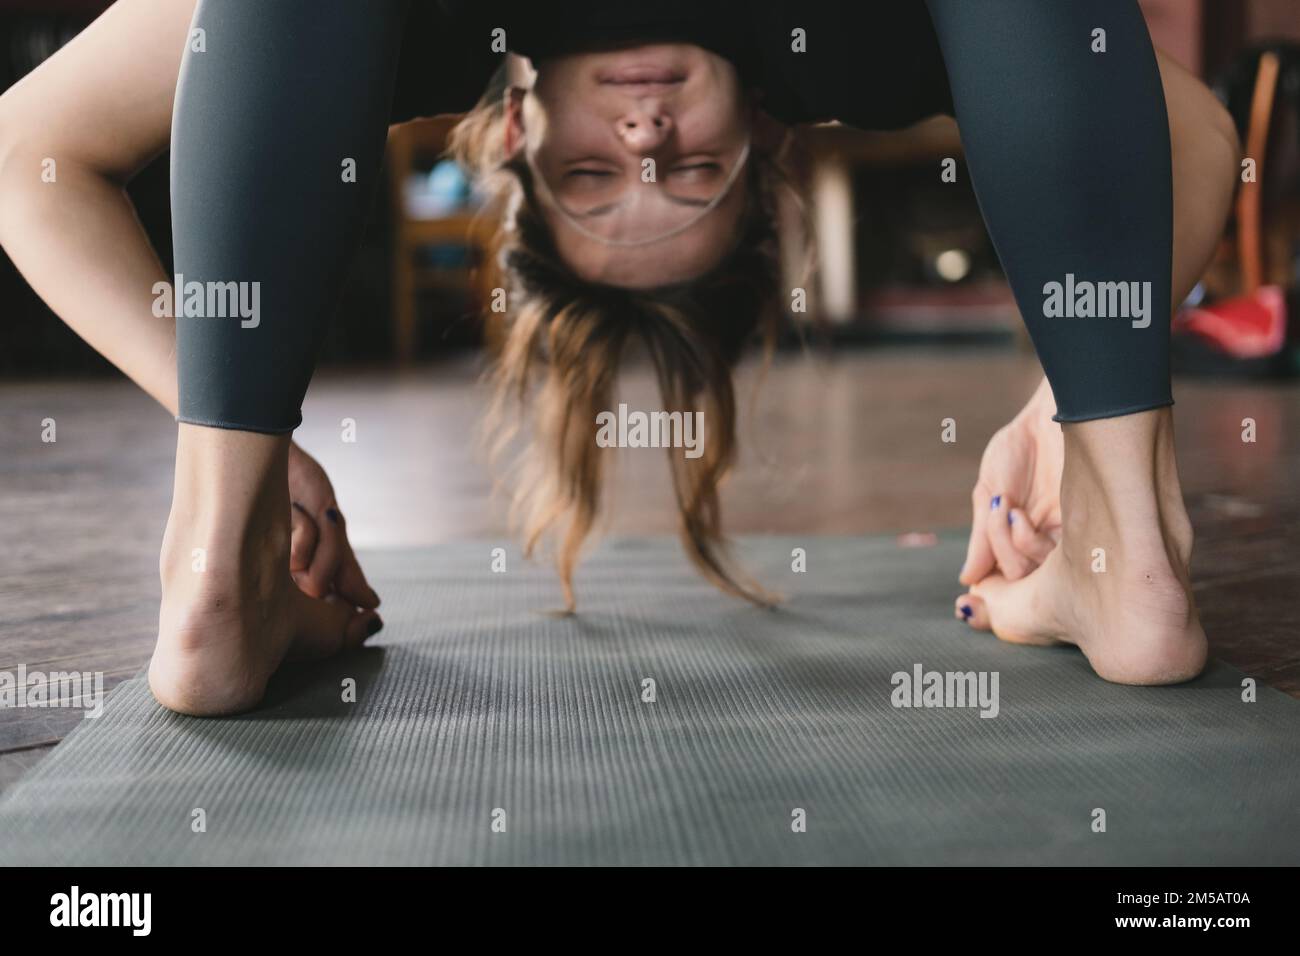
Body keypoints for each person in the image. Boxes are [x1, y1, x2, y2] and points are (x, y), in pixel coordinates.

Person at [0, 0, 1241, 714]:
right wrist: (1061, 413)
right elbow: (1189, 128)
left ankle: (216, 559)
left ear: (513, 134)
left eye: (594, 174)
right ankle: (1127, 544)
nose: (646, 133)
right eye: (689, 170)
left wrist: (235, 442)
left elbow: (22, 153)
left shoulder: (432, 31)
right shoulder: (849, 45)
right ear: (763, 139)